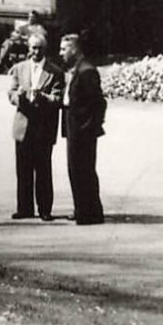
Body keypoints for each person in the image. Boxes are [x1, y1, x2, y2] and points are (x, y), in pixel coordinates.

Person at [7, 31, 64, 221]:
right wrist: (19, 96)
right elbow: (11, 93)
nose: (36, 52)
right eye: (33, 48)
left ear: (45, 49)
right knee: (23, 170)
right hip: (23, 125)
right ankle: (24, 208)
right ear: (28, 49)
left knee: (43, 170)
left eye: (39, 48)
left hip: (43, 127)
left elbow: (58, 98)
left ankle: (45, 209)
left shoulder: (55, 71)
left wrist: (43, 97)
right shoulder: (19, 68)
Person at [59, 33, 107, 225]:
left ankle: (90, 212)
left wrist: (87, 127)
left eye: (64, 49)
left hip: (82, 130)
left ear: (75, 49)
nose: (60, 53)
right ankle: (82, 208)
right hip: (74, 126)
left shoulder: (87, 71)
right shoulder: (75, 69)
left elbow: (98, 103)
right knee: (76, 169)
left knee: (83, 169)